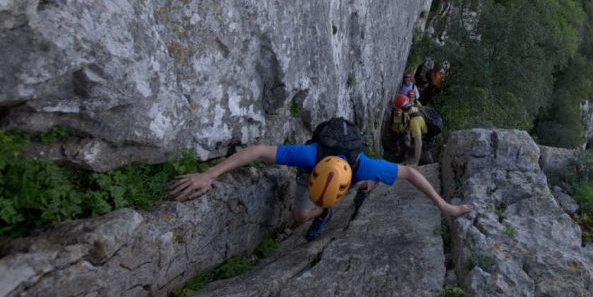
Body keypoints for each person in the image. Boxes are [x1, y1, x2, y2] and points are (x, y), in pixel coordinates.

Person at [170, 118, 472, 240]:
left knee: (357, 184)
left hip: (353, 177)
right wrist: (209, 174)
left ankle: (341, 200)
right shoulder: (308, 155)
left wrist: (443, 205)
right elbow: (259, 151)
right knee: (301, 216)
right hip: (318, 172)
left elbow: (409, 172)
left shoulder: (363, 165)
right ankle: (325, 210)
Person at [393, 94, 434, 166]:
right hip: (427, 134)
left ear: (402, 109)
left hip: (426, 140)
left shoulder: (414, 121)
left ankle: (428, 165)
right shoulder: (416, 108)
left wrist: (416, 162)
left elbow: (418, 142)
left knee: (426, 159)